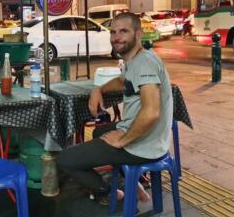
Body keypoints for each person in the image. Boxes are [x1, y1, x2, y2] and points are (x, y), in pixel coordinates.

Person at [57, 12, 173, 204]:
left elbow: (151, 112)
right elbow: (121, 81)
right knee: (99, 132)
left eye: (124, 31)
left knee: (65, 160)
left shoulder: (144, 63)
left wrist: (122, 141)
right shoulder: (136, 60)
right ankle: (134, 185)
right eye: (113, 32)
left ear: (138, 34)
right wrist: (98, 89)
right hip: (154, 139)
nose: (116, 37)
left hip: (145, 146)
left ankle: (109, 191)